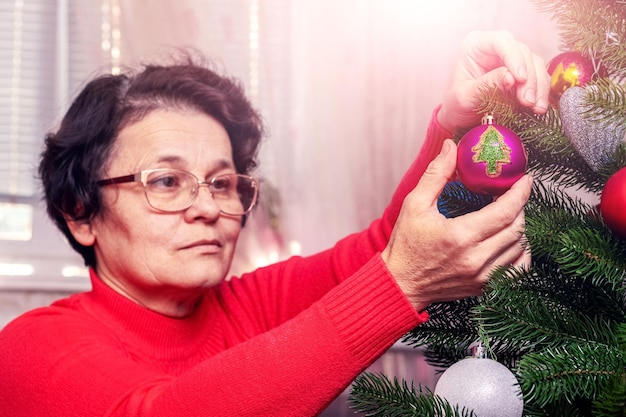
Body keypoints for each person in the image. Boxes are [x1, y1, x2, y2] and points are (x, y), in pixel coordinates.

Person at [0, 30, 549, 416]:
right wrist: (400, 284)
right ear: (80, 215)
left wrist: (457, 122)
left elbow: (383, 252)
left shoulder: (250, 305)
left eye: (222, 182)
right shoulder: (32, 348)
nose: (210, 208)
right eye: (165, 182)